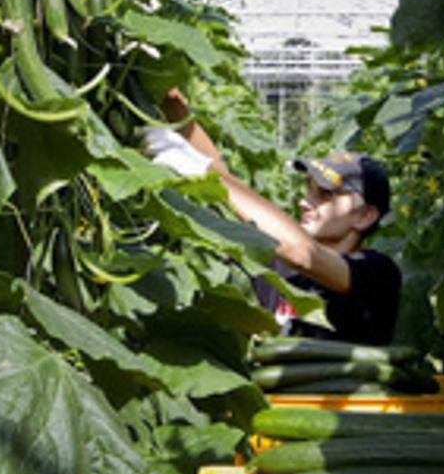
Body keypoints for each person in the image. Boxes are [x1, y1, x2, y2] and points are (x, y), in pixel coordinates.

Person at [141, 89, 402, 345]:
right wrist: (170, 98)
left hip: (346, 389)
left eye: (325, 195)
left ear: (365, 216)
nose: (304, 202)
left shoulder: (378, 273)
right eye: (308, 190)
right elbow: (228, 184)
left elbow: (304, 254)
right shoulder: (278, 265)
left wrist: (200, 170)